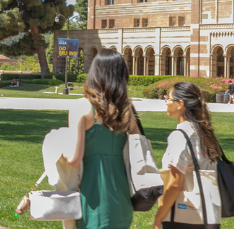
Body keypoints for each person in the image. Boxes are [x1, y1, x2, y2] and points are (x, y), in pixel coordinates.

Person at [65, 48, 136, 229]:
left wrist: (57, 148)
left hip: (93, 199)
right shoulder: (128, 112)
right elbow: (138, 152)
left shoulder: (82, 107)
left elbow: (74, 159)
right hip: (122, 200)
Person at [153, 82, 223, 229]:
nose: (166, 102)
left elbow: (175, 183)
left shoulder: (180, 136)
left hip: (184, 215)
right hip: (208, 212)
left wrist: (159, 216)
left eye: (169, 98)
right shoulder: (204, 133)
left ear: (180, 104)